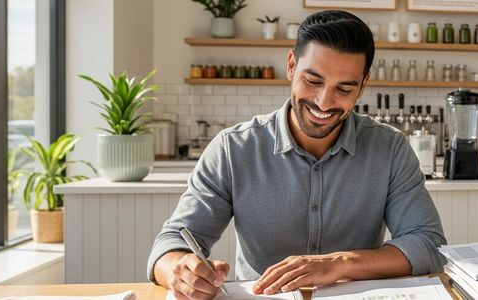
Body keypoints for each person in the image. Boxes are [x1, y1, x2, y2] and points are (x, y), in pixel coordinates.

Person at [147, 10, 447, 299]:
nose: (324, 102)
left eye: (344, 89)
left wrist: (339, 263)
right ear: (291, 65)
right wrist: (178, 270)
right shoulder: (233, 148)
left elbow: (429, 245)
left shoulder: (390, 148)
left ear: (363, 85)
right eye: (313, 81)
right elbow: (172, 242)